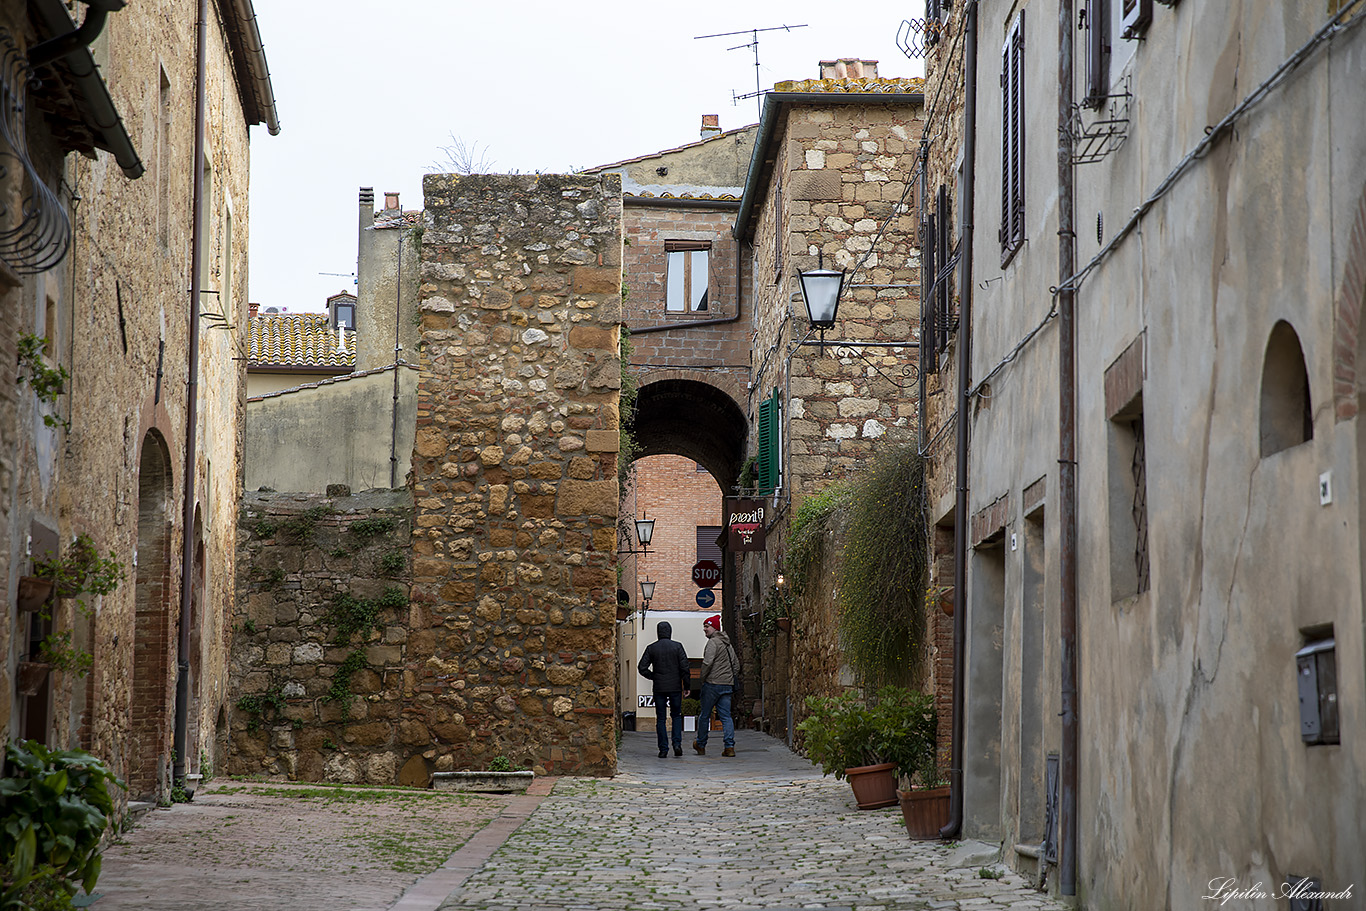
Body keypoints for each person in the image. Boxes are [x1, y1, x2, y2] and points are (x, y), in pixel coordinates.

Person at [638, 620, 690, 758]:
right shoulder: (678, 647)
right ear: (670, 632)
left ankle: (663, 749)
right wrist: (687, 685)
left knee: (661, 718)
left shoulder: (651, 648)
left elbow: (641, 667)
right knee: (676, 716)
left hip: (659, 687)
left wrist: (653, 676)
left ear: (658, 632)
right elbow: (685, 668)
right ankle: (677, 744)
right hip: (675, 687)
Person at [693, 614, 738, 757]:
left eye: (707, 626)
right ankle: (729, 747)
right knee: (726, 716)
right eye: (704, 627)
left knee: (705, 715)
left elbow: (707, 663)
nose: (704, 629)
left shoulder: (713, 643)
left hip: (712, 684)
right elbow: (736, 665)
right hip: (727, 685)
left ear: (714, 628)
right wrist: (729, 677)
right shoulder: (727, 644)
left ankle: (700, 744)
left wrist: (702, 678)